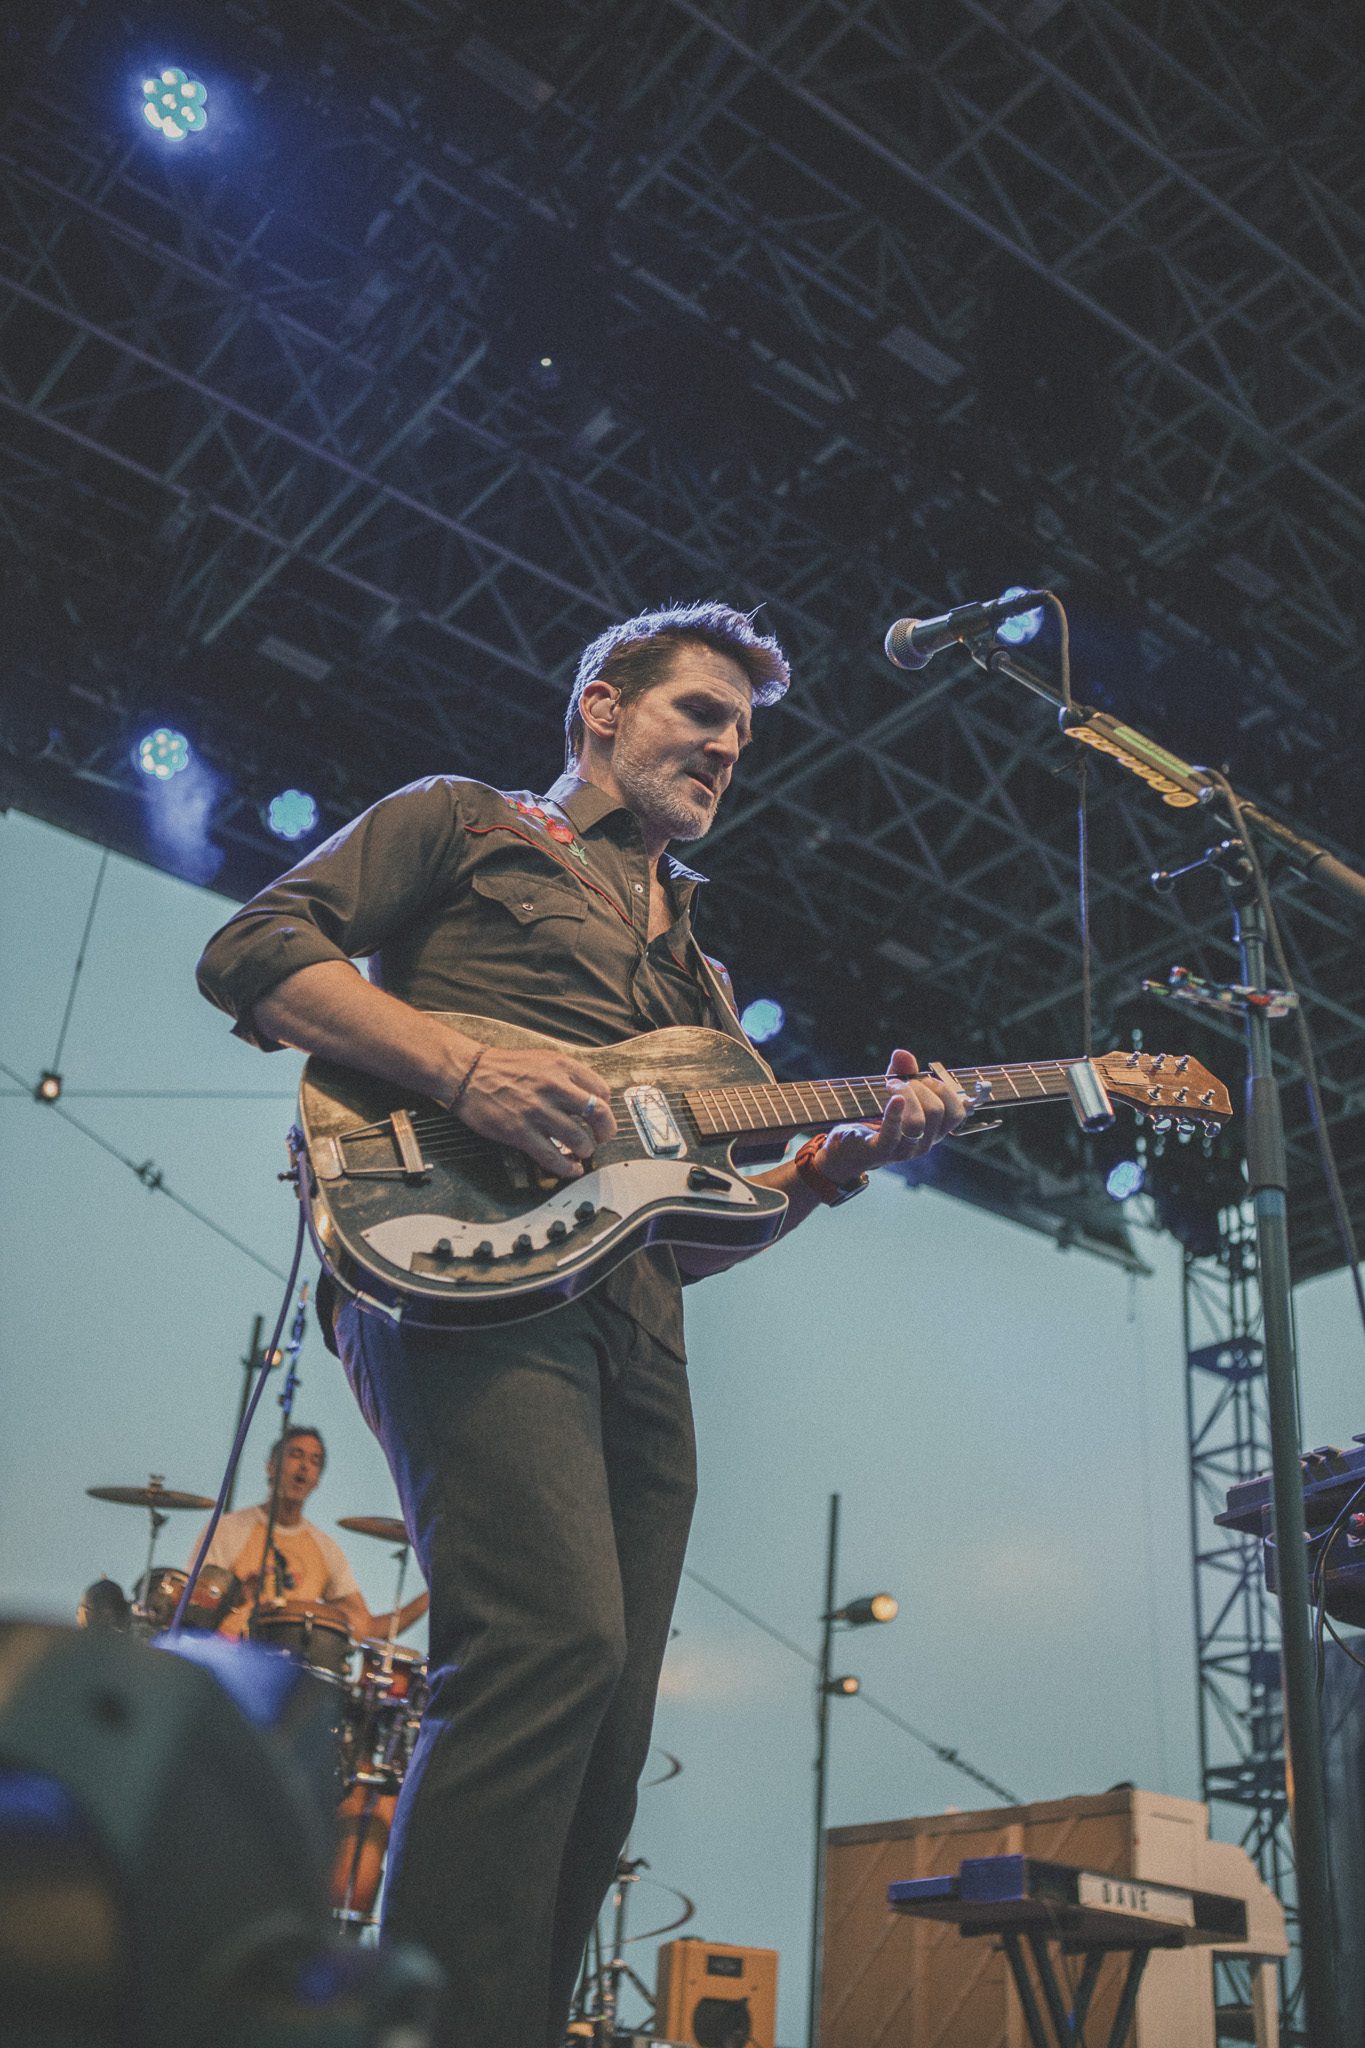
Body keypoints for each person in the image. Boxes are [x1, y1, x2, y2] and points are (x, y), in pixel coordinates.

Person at [196, 600, 966, 2047]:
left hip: (634, 1334)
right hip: (448, 1261)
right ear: (602, 707)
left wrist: (829, 1171)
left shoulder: (703, 986)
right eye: (701, 714)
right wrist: (462, 1068)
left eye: (744, 734)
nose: (728, 749)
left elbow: (697, 1232)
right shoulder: (462, 823)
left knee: (605, 1730)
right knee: (542, 1648)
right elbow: (253, 950)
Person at [188, 1423, 429, 1644]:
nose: (304, 1466)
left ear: (317, 1480)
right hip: (227, 1659)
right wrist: (237, 1595)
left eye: (315, 1461)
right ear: (271, 1466)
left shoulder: (325, 1548)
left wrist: (434, 1591)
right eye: (296, 1455)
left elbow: (366, 1628)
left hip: (293, 1673)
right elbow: (193, 1610)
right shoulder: (228, 1529)